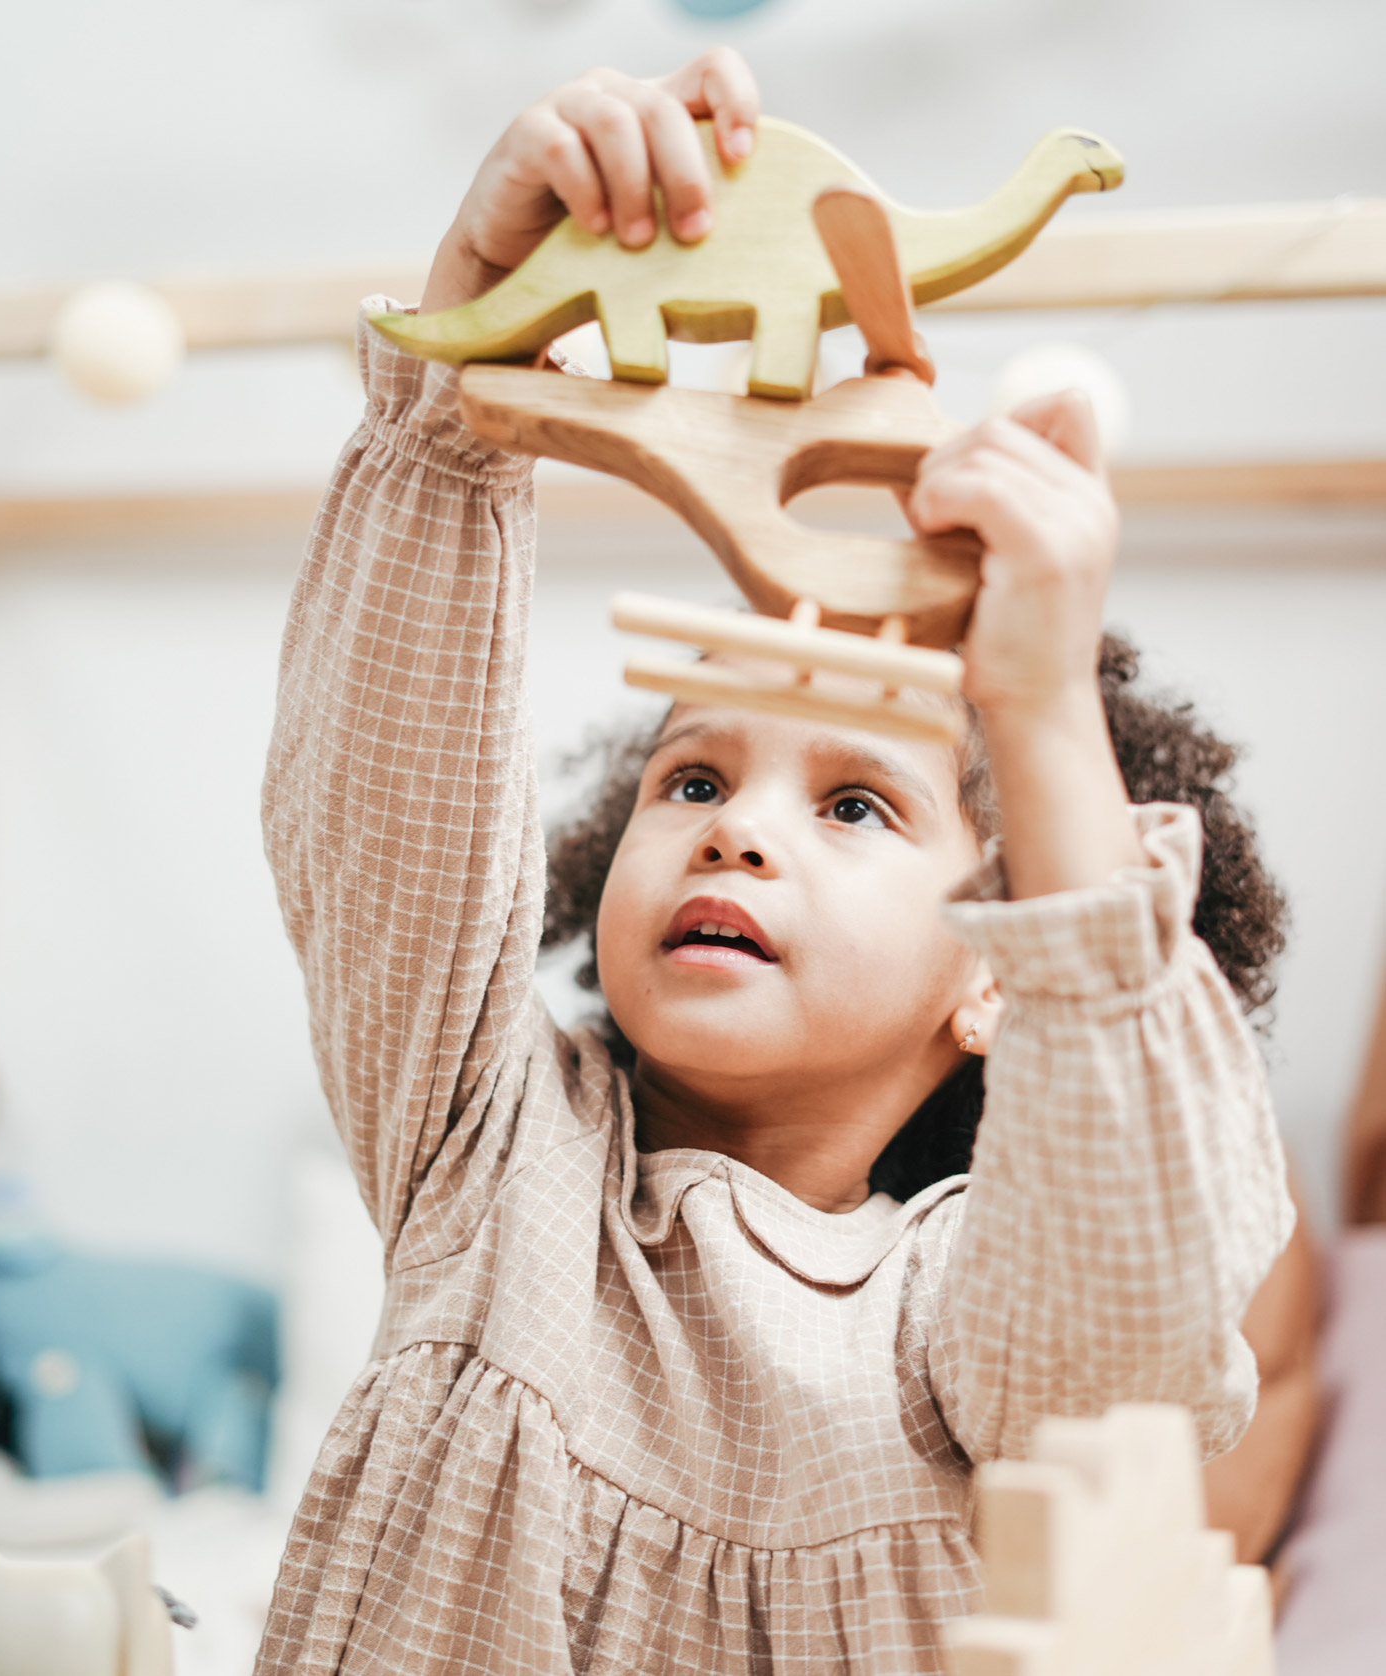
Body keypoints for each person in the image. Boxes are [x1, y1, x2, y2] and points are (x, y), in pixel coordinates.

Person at [257, 50, 1294, 1676]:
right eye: (691, 776)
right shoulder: (490, 1152)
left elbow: (1129, 1273)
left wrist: (1034, 704)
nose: (733, 828)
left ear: (995, 976)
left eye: (857, 806)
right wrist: (470, 360)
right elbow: (385, 790)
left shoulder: (964, 1329)